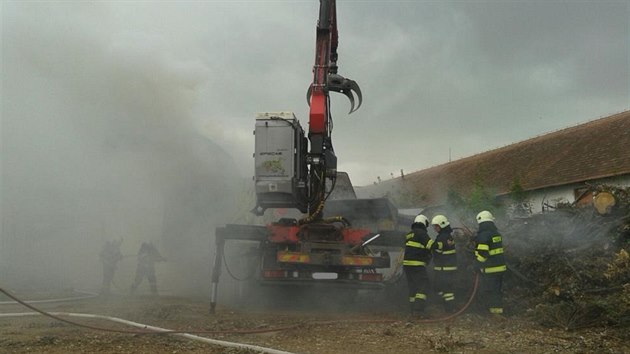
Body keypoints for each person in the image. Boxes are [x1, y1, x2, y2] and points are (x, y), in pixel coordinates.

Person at [474, 210, 507, 315]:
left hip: (490, 269)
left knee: (489, 291)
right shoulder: (496, 233)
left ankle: (490, 313)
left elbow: (483, 253)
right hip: (500, 268)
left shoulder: (484, 235)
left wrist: (476, 264)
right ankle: (497, 312)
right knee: (496, 291)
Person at [403, 214, 434, 317]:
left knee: (413, 287)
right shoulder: (421, 233)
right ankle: (419, 311)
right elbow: (431, 246)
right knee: (423, 286)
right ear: (424, 223)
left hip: (407, 265)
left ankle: (412, 310)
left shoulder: (409, 234)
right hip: (417, 264)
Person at [430, 214, 457, 312]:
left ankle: (449, 309)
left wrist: (429, 246)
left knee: (446, 290)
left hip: (444, 268)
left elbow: (437, 248)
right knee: (442, 288)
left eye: (436, 226)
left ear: (441, 225)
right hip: (446, 268)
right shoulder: (448, 236)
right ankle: (447, 307)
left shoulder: (443, 237)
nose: (435, 228)